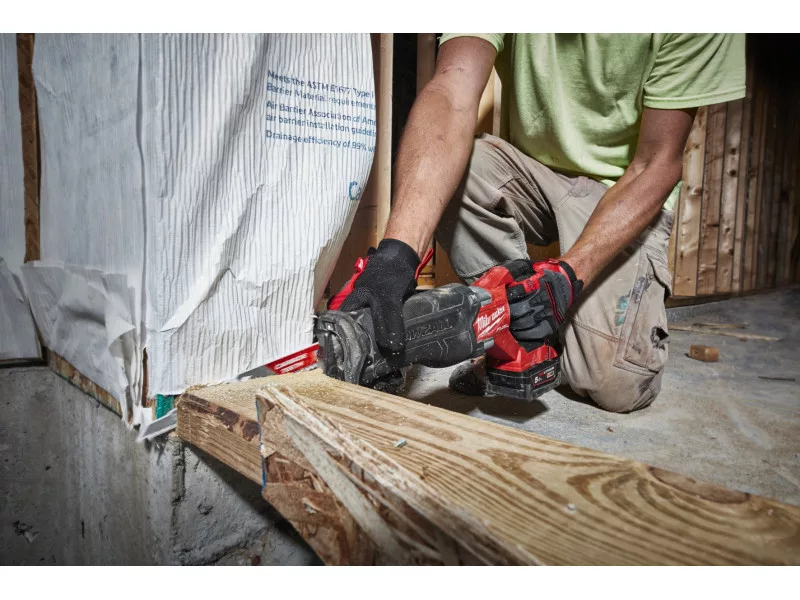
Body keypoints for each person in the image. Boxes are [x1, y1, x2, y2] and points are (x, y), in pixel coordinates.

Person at [335, 34, 745, 412]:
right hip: (528, 174)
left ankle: (547, 321)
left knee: (615, 384)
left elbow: (657, 163)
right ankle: (509, 331)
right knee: (459, 170)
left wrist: (567, 277)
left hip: (622, 190)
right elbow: (451, 94)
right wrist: (396, 256)